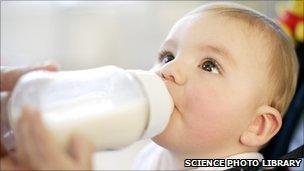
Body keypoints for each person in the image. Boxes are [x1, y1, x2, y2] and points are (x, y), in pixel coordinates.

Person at [0, 2, 300, 170]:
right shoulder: (152, 156)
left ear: (257, 126)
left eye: (209, 65)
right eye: (167, 55)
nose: (169, 70)